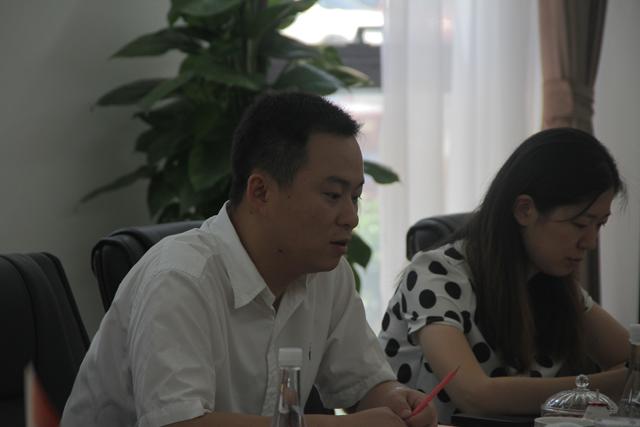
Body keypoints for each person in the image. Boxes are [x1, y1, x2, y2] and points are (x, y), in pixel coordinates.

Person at [61, 92, 437, 427]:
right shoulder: (180, 278)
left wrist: (394, 400)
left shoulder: (328, 275)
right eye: (332, 195)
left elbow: (363, 383)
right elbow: (178, 424)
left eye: (355, 197)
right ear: (260, 192)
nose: (351, 218)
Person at [379, 127, 629, 423]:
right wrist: (600, 387)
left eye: (600, 225)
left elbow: (630, 358)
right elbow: (474, 395)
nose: (590, 242)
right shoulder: (435, 274)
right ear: (524, 210)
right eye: (580, 224)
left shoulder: (553, 282)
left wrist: (621, 379)